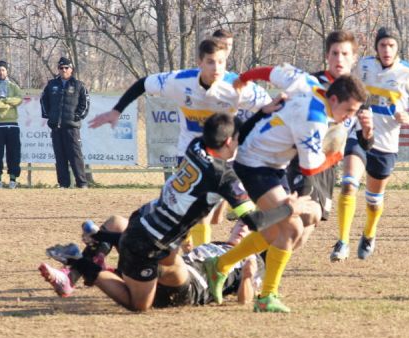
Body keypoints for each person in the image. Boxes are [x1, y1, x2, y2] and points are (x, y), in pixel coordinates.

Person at [59, 113, 304, 312]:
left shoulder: (196, 145)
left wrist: (263, 112)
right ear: (229, 142)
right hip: (157, 237)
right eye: (238, 141)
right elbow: (253, 220)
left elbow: (229, 133)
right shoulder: (223, 177)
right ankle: (82, 261)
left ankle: (104, 240)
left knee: (152, 255)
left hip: (145, 218)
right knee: (139, 305)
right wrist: (287, 208)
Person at [204, 74, 368, 313]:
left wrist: (245, 78)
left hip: (272, 167)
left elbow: (274, 70)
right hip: (254, 165)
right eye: (349, 110)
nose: (350, 117)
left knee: (278, 230)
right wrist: (334, 156)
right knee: (291, 228)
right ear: (333, 99)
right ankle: (266, 295)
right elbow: (310, 167)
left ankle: (220, 264)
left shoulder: (309, 83)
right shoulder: (315, 119)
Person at [89, 39, 271, 246]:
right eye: (211, 62)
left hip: (222, 154)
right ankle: (196, 251)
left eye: (221, 62)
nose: (216, 68)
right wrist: (117, 110)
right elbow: (144, 83)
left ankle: (186, 243)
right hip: (189, 151)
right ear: (199, 62)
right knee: (196, 207)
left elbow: (270, 107)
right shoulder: (180, 81)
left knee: (206, 212)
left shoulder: (238, 86)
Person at [234, 31, 373, 249]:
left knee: (304, 226)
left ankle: (249, 258)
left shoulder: (358, 98)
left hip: (322, 169)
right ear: (327, 55)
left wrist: (367, 132)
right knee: (289, 224)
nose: (339, 59)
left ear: (354, 58)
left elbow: (364, 145)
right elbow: (273, 73)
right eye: (335, 53)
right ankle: (244, 254)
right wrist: (243, 78)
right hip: (293, 163)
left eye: (345, 54)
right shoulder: (311, 84)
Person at [330, 27, 409, 261]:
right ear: (376, 48)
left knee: (373, 201)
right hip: (359, 133)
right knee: (348, 184)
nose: (387, 50)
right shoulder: (364, 66)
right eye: (382, 45)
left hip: (386, 142)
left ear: (397, 48)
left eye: (391, 45)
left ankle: (369, 234)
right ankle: (342, 241)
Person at [39, 218, 264, 307]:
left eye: (251, 229)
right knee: (117, 222)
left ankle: (91, 255)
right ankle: (74, 272)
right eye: (241, 224)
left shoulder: (255, 261)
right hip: (170, 266)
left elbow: (245, 300)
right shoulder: (217, 242)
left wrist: (246, 276)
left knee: (163, 254)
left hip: (189, 285)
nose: (243, 227)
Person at [40, 56, 90, 189]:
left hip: (72, 128)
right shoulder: (51, 85)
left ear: (71, 69)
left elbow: (85, 103)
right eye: (61, 68)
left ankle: (82, 183)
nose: (63, 70)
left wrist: (77, 116)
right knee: (60, 157)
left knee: (75, 156)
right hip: (56, 127)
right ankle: (63, 184)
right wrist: (49, 116)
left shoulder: (79, 85)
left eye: (66, 68)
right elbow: (43, 100)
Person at [0, 60, 23, 189]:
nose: (1, 72)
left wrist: (6, 100)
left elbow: (19, 99)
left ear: (7, 72)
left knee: (14, 153)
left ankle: (13, 180)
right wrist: (8, 106)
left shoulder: (13, 86)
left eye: (3, 70)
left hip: (12, 125)